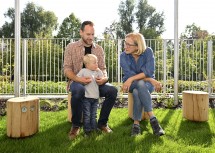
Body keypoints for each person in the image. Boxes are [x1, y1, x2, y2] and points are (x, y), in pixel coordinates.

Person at [64, 21, 118, 140]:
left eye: (93, 34)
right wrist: (78, 79)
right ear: (81, 32)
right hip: (77, 82)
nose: (91, 37)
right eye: (88, 34)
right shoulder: (71, 47)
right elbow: (67, 69)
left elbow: (103, 69)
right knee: (78, 90)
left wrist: (104, 78)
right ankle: (76, 125)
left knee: (113, 91)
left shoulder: (99, 49)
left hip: (96, 84)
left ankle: (102, 123)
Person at [120, 32, 165, 137]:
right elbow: (130, 75)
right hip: (132, 84)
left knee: (137, 91)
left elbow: (148, 71)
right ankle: (153, 120)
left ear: (137, 46)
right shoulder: (123, 56)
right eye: (125, 43)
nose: (125, 46)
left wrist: (134, 78)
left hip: (145, 84)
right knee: (139, 84)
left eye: (128, 44)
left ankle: (136, 126)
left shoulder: (148, 52)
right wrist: (150, 79)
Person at [77, 54, 103, 136]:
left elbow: (102, 77)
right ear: (87, 64)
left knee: (94, 114)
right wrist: (83, 80)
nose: (97, 64)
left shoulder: (97, 72)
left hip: (95, 98)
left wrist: (99, 70)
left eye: (97, 62)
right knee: (87, 115)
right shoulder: (83, 71)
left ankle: (94, 128)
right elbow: (78, 78)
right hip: (87, 98)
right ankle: (87, 130)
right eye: (94, 63)